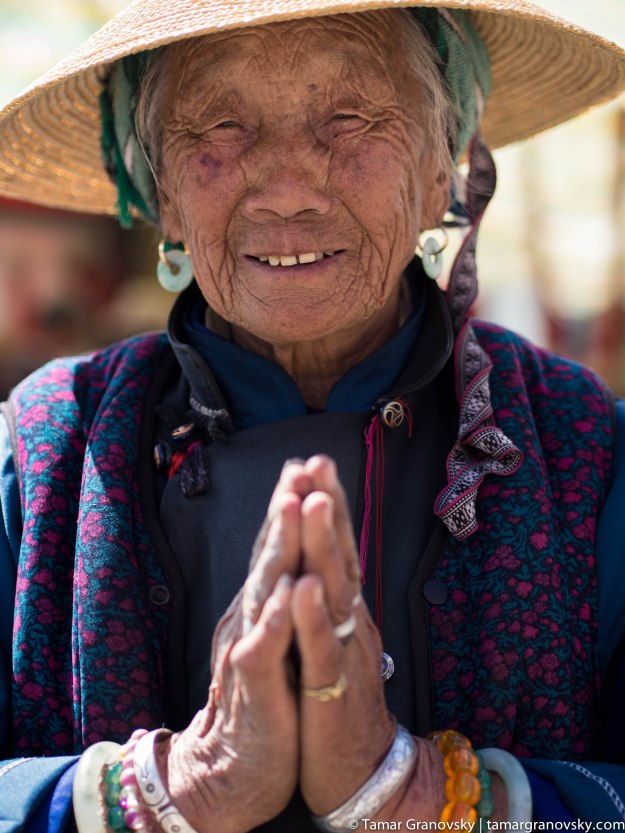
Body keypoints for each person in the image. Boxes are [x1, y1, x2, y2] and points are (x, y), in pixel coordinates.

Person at [0, 1, 624, 830]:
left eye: (350, 117)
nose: (288, 188)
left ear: (447, 162)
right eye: (220, 124)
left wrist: (420, 796)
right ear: (161, 192)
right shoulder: (43, 456)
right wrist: (178, 789)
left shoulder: (589, 454)